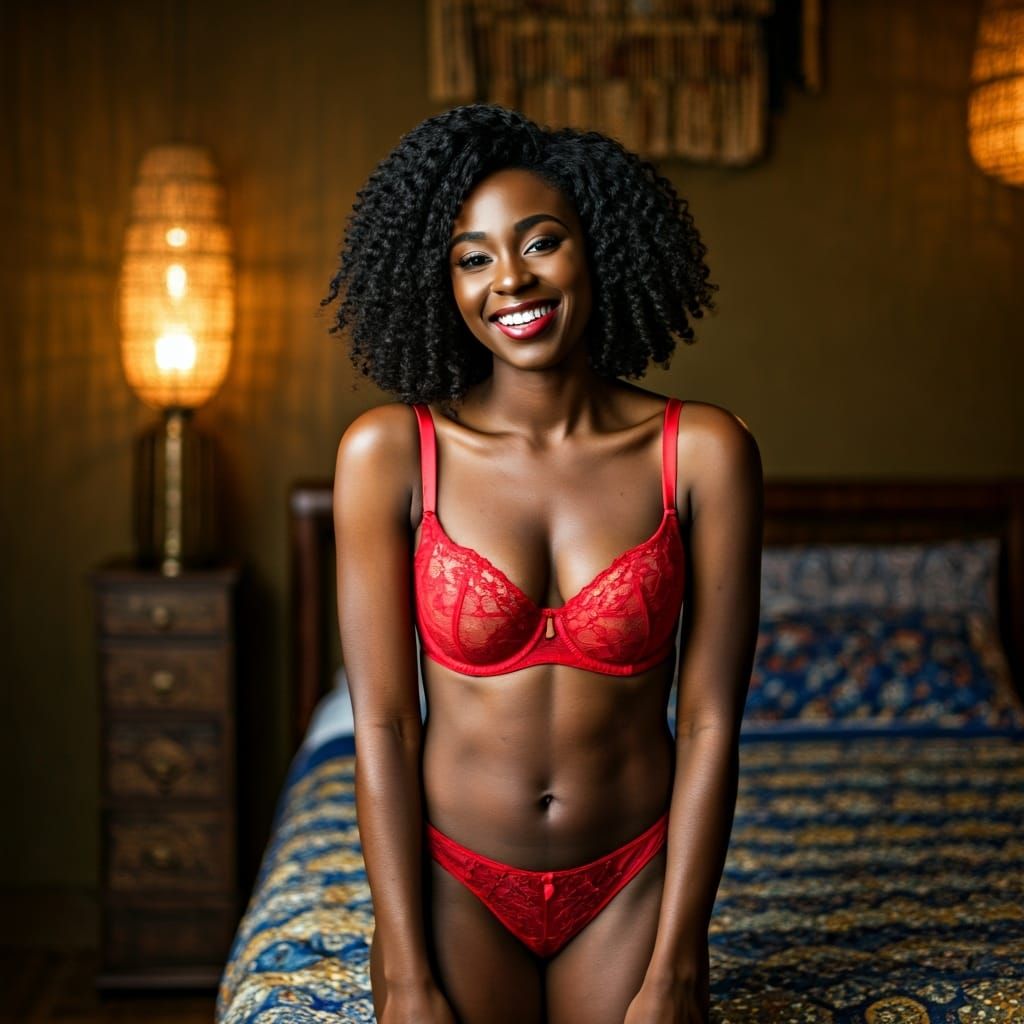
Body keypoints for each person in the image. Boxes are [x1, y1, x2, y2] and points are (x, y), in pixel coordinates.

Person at [325, 103, 763, 1024]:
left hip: (633, 884)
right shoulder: (388, 454)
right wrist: (403, 969)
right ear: (438, 283)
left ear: (597, 248)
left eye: (541, 242)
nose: (510, 279)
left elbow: (714, 722)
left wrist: (677, 966)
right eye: (472, 258)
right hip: (454, 888)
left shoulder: (704, 452)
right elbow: (386, 728)